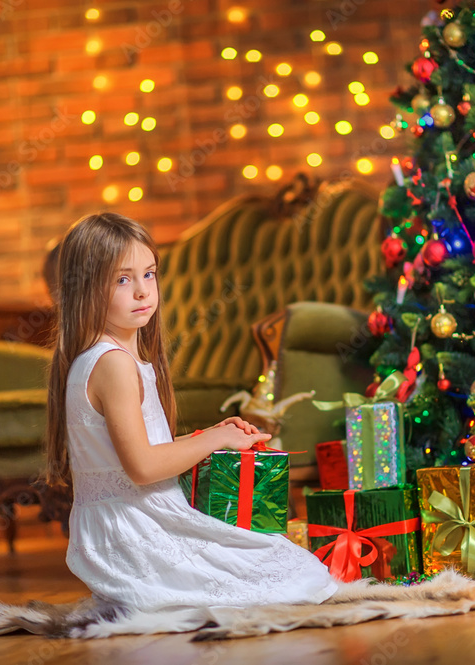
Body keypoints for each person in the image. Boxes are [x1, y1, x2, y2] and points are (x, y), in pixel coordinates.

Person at [44, 212, 340, 613]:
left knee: (280, 559)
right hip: (137, 529)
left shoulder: (98, 357)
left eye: (149, 274)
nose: (142, 292)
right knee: (297, 571)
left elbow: (137, 451)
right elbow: (143, 468)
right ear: (85, 288)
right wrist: (217, 440)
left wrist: (208, 435)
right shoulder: (113, 364)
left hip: (117, 527)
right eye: (122, 279)